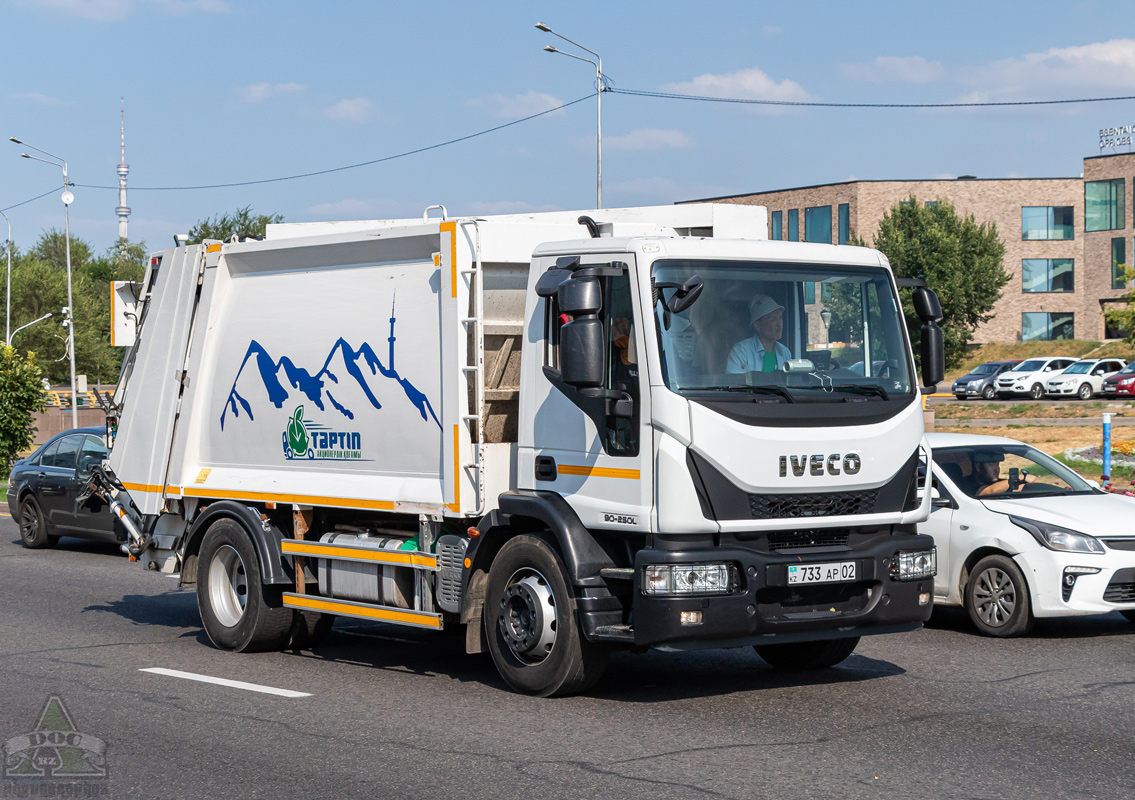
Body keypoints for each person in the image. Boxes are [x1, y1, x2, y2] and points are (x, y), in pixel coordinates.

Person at [726, 294, 792, 373]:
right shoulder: (741, 351)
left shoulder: (784, 352)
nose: (779, 323)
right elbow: (733, 383)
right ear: (757, 325)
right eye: (773, 319)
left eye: (780, 317)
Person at [972, 450, 1037, 496]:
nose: (996, 469)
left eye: (997, 464)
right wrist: (1022, 477)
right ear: (978, 466)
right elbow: (990, 491)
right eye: (991, 464)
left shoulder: (997, 482)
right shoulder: (970, 484)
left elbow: (1014, 489)